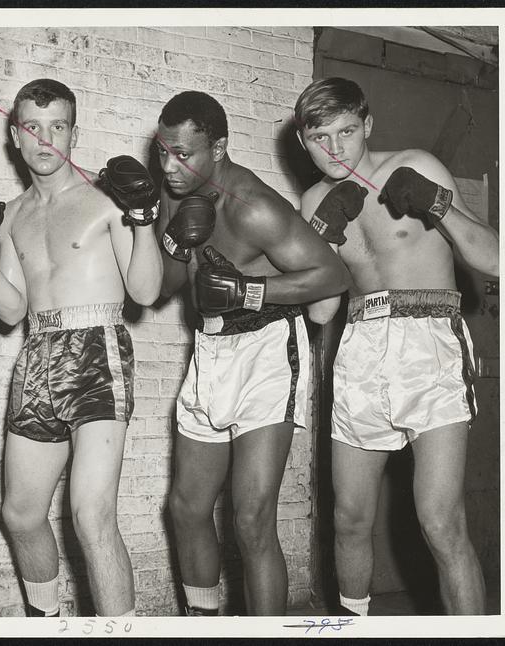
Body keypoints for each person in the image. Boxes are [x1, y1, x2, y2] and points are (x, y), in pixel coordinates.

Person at [294, 77, 499, 615]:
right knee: (349, 519)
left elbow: (496, 258)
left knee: (439, 520)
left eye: (346, 132)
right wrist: (321, 236)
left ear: (368, 126)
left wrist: (439, 205)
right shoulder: (314, 200)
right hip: (360, 344)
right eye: (320, 137)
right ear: (302, 141)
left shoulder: (418, 165)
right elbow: (320, 312)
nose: (335, 149)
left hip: (429, 339)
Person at [155, 90, 349, 616]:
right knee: (186, 507)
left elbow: (333, 275)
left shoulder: (255, 206)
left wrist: (248, 290)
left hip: (267, 349)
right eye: (163, 151)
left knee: (250, 518)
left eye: (184, 154)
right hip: (209, 347)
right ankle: (203, 623)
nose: (170, 166)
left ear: (218, 148)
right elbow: (165, 288)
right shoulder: (175, 193)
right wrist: (173, 244)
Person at [0, 78, 163, 617]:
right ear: (16, 135)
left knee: (91, 514)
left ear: (74, 133)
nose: (45, 139)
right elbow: (11, 310)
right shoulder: (12, 215)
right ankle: (48, 621)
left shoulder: (107, 198)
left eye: (57, 126)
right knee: (20, 514)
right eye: (33, 127)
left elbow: (146, 291)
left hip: (97, 349)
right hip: (37, 354)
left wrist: (145, 220)